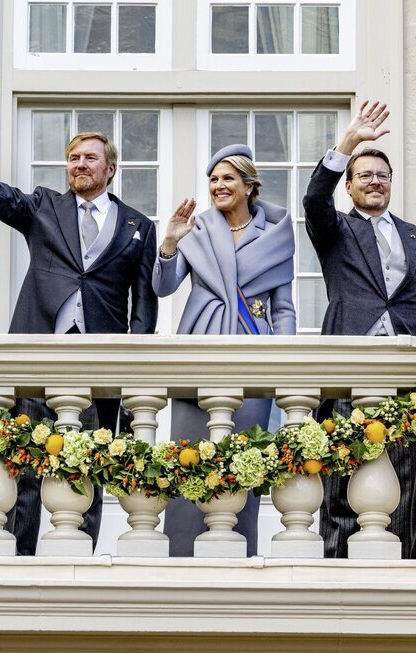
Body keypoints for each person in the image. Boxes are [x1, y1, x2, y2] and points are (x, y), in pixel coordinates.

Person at [0, 82, 158, 555]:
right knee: (26, 466)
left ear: (110, 168)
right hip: (36, 359)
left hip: (100, 367)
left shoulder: (139, 226)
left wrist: (132, 369)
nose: (79, 165)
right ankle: (19, 557)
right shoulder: (43, 207)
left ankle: (79, 559)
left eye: (90, 158)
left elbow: (144, 306)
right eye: (73, 158)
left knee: (87, 467)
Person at [302, 100, 416, 559]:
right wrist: (350, 142)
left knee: (402, 478)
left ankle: (404, 564)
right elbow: (313, 198)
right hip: (348, 371)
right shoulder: (335, 229)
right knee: (343, 478)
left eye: (382, 176)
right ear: (349, 184)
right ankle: (336, 566)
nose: (375, 182)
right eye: (364, 175)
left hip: (404, 376)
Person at [154, 144, 296, 557]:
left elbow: (283, 308)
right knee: (188, 462)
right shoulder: (196, 230)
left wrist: (283, 360)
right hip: (200, 347)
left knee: (243, 464)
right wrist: (169, 243)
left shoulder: (274, 235)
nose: (218, 185)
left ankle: (239, 553)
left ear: (249, 185)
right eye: (213, 179)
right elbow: (164, 287)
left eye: (228, 178)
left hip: (250, 353)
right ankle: (181, 558)